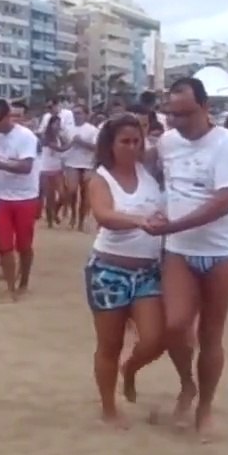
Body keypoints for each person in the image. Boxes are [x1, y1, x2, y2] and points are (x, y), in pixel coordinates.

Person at [150, 78, 228, 440]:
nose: (177, 121)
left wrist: (173, 224)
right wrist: (158, 215)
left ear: (205, 108)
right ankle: (186, 384)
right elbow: (161, 184)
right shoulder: (167, 142)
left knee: (211, 333)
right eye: (171, 114)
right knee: (175, 325)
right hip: (179, 248)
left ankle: (204, 406)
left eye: (185, 114)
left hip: (222, 250)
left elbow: (224, 202)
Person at [84, 114, 168, 428]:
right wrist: (138, 221)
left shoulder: (150, 174)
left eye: (136, 141)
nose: (132, 147)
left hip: (148, 270)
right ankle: (109, 407)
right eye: (125, 141)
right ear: (111, 144)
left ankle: (130, 369)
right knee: (110, 344)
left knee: (156, 339)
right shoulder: (100, 178)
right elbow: (104, 215)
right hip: (109, 270)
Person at [0, 98, 40, 300]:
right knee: (4, 245)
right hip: (2, 196)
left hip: (26, 197)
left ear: (8, 117)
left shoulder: (26, 137)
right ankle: (10, 287)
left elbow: (26, 167)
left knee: (24, 245)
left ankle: (24, 280)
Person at [61, 106, 98, 230]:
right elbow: (63, 145)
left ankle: (81, 221)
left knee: (85, 194)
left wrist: (82, 142)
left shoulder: (92, 130)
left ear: (86, 115)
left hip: (87, 164)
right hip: (72, 162)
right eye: (75, 113)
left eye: (79, 113)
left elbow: (96, 147)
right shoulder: (68, 129)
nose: (77, 116)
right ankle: (73, 215)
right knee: (71, 190)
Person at [38, 111, 67, 228]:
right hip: (46, 170)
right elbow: (60, 149)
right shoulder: (46, 137)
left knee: (63, 194)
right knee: (49, 196)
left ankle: (54, 211)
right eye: (55, 124)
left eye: (59, 124)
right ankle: (50, 219)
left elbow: (62, 148)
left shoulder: (59, 136)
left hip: (57, 169)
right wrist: (73, 142)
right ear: (50, 125)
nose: (57, 126)